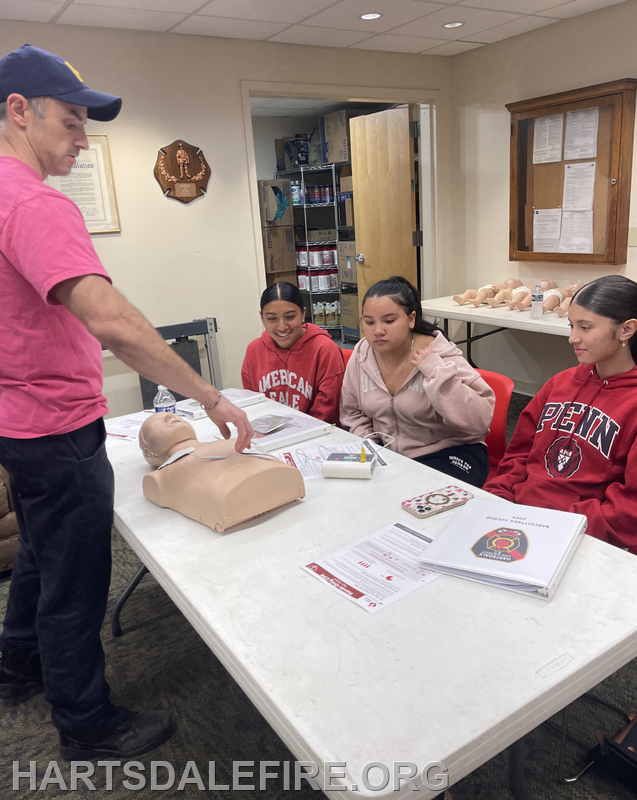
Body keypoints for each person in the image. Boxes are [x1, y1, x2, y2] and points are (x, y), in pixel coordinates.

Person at [0, 44, 253, 760]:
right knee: (75, 582)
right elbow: (110, 320)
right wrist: (208, 396)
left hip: (16, 423)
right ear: (20, 110)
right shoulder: (32, 202)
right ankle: (86, 724)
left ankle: (15, 668)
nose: (83, 140)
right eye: (74, 122)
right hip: (54, 428)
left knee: (42, 562)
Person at [486, 275, 637, 552]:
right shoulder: (561, 382)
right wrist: (497, 498)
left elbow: (629, 511)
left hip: (583, 536)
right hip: (518, 516)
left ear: (626, 330)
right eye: (571, 325)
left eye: (586, 327)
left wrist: (555, 525)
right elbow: (519, 453)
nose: (572, 338)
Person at [340, 276, 495, 488]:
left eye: (389, 321)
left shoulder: (439, 354)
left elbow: (480, 420)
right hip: (388, 451)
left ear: (411, 319)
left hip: (451, 451)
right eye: (369, 322)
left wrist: (437, 374)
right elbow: (352, 412)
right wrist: (369, 444)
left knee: (421, 502)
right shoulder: (362, 354)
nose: (378, 330)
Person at [241, 281, 345, 424]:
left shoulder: (325, 350)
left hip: (316, 435)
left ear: (303, 313)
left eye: (290, 317)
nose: (282, 326)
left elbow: (326, 412)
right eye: (272, 319)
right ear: (262, 317)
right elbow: (252, 404)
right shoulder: (254, 350)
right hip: (268, 435)